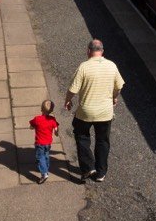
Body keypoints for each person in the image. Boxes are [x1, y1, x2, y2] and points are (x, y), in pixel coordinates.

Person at [65, 38, 124, 183]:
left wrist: (68, 100)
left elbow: (73, 89)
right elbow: (119, 86)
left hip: (85, 111)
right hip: (105, 112)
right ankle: (100, 173)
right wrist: (114, 97)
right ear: (102, 51)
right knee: (103, 141)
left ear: (88, 51)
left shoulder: (84, 67)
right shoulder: (112, 65)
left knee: (81, 135)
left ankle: (88, 167)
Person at [28, 99, 60, 184]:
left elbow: (31, 127)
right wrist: (56, 132)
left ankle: (44, 173)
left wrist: (33, 127)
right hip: (48, 143)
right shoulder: (53, 120)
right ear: (51, 110)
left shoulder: (37, 119)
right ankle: (46, 167)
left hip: (39, 143)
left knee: (40, 157)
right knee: (46, 155)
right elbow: (56, 130)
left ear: (41, 109)